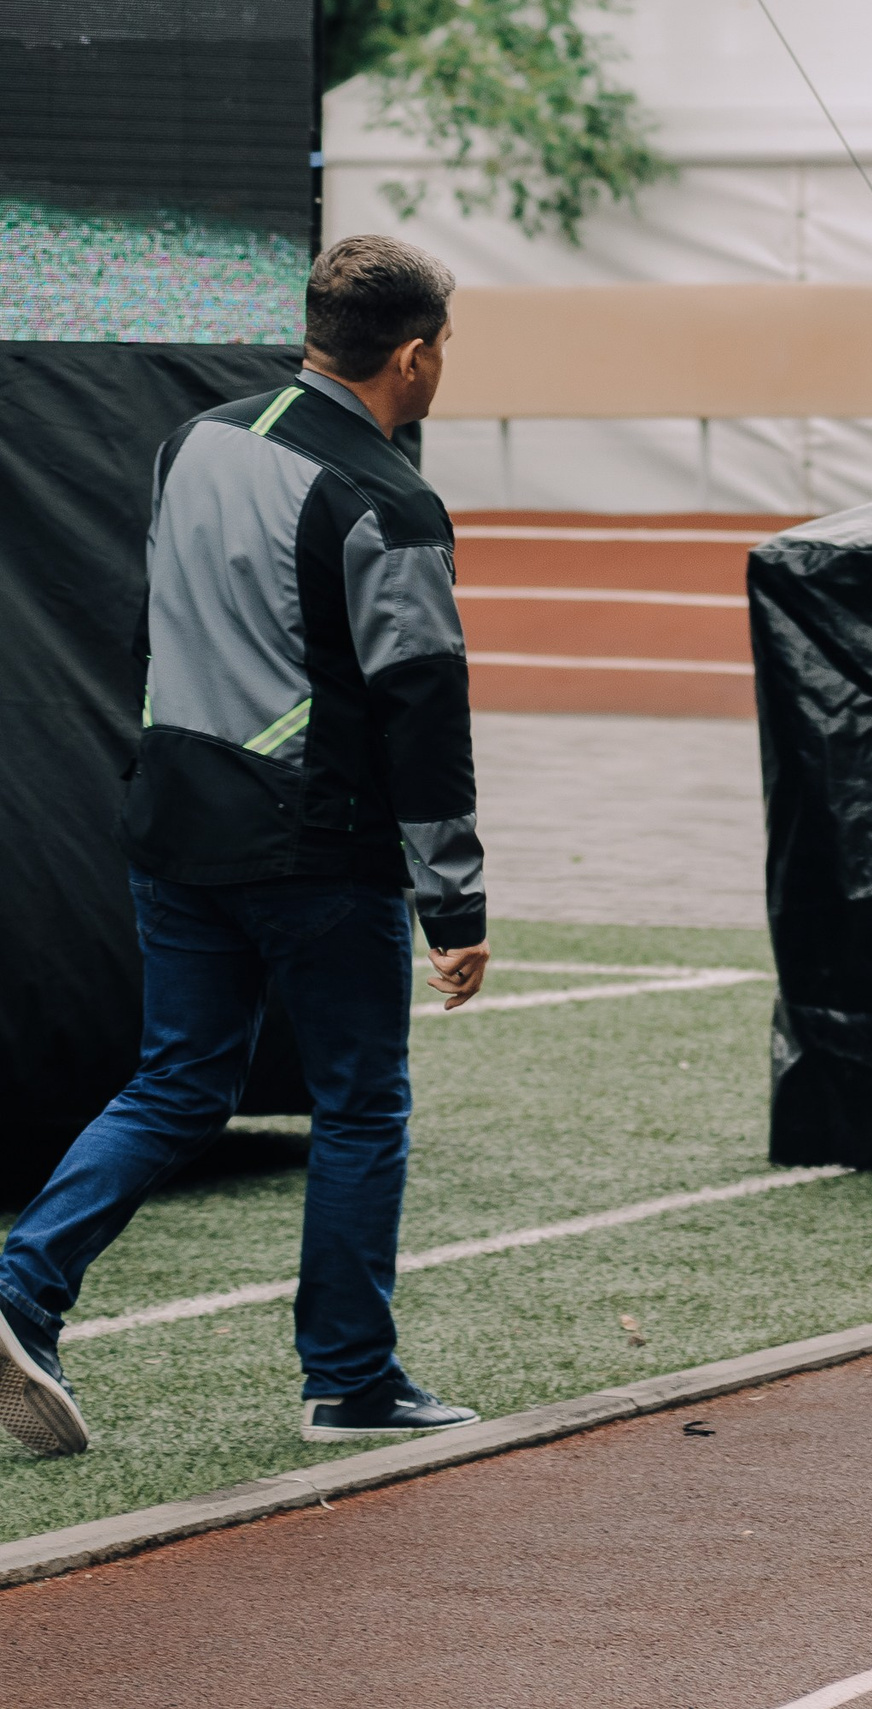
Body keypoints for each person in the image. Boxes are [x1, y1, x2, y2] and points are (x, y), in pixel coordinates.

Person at [0, 235, 489, 1457]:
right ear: (416, 353)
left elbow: (148, 625)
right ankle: (349, 1380)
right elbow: (423, 711)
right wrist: (457, 901)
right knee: (362, 1105)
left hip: (172, 817)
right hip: (315, 850)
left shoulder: (194, 440)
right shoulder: (390, 498)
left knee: (178, 1081)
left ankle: (20, 1287)